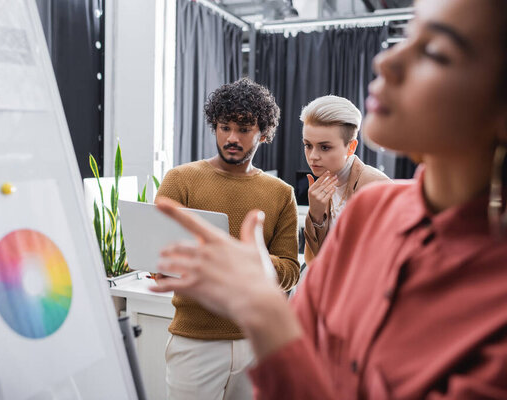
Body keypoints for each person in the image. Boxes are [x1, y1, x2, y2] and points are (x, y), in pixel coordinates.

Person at [152, 0, 507, 398]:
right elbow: (306, 345)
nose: (386, 62)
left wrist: (264, 310)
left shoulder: (493, 297)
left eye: (436, 52)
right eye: (408, 36)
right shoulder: (372, 213)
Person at [155, 78, 300, 400]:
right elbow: (156, 252)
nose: (232, 138)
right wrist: (160, 266)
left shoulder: (281, 194)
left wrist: (252, 260)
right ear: (215, 126)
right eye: (224, 127)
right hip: (195, 341)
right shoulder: (180, 180)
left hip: (258, 343)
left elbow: (290, 270)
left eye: (244, 129)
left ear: (263, 133)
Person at [300, 95, 390, 262]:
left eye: (324, 147)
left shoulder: (376, 187)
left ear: (351, 147)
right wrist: (316, 215)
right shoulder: (322, 183)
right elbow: (313, 261)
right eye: (308, 145)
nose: (313, 156)